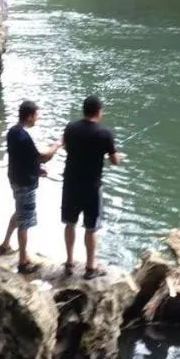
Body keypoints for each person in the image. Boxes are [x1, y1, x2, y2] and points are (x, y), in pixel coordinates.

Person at [61, 95, 122, 278]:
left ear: (84, 110)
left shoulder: (70, 128)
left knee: (70, 223)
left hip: (70, 184)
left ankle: (69, 262)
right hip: (92, 187)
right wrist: (119, 157)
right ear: (99, 112)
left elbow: (66, 148)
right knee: (91, 228)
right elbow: (114, 161)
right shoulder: (105, 134)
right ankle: (90, 267)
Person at [0, 100, 60, 274]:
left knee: (19, 211)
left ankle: (5, 245)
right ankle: (23, 261)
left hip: (15, 178)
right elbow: (42, 157)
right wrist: (58, 144)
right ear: (30, 116)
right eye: (37, 115)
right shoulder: (23, 136)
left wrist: (36, 170)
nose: (38, 118)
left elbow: (22, 158)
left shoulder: (13, 132)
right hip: (24, 183)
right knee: (25, 220)